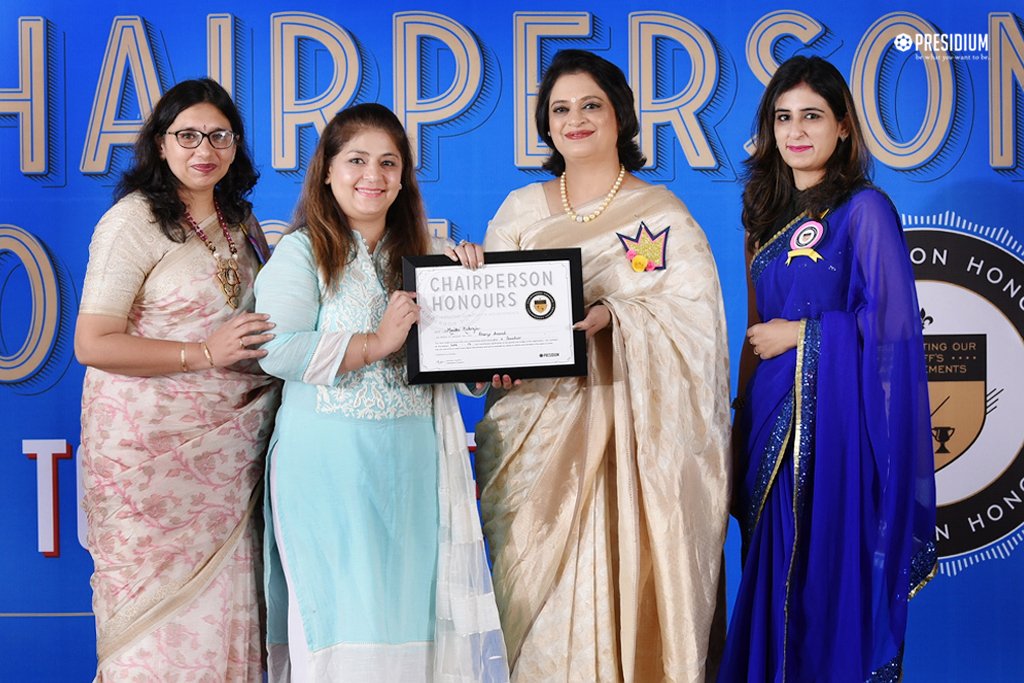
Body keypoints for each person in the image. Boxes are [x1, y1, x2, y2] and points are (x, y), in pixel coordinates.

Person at [474, 49, 732, 682]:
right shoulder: (520, 210)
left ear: (621, 115)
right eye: (561, 109)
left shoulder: (662, 216)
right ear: (546, 124)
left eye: (591, 105)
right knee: (532, 611)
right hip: (532, 439)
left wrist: (616, 318)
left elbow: (698, 332)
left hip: (628, 443)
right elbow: (489, 320)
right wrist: (491, 363)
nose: (576, 120)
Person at [253, 103, 508, 682]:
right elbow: (278, 350)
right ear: (327, 171)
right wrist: (375, 343)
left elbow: (449, 363)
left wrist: (487, 351)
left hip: (414, 471)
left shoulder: (425, 257)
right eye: (357, 160)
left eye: (389, 163)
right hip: (328, 470)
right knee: (343, 625)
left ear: (404, 177)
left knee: (413, 628)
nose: (374, 175)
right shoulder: (301, 252)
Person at [718, 56, 937, 682]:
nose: (796, 131)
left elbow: (893, 330)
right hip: (767, 428)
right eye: (783, 117)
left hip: (834, 431)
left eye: (812, 116)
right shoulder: (762, 217)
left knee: (822, 584)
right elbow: (755, 334)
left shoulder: (864, 210)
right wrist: (736, 424)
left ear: (843, 126)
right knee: (771, 581)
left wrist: (804, 334)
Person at [74, 78, 280, 681]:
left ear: (236, 146)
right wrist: (203, 353)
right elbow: (93, 342)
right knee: (152, 633)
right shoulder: (132, 222)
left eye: (219, 136)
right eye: (187, 135)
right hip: (150, 464)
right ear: (160, 144)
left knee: (227, 616)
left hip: (232, 459)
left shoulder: (240, 221)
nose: (204, 149)